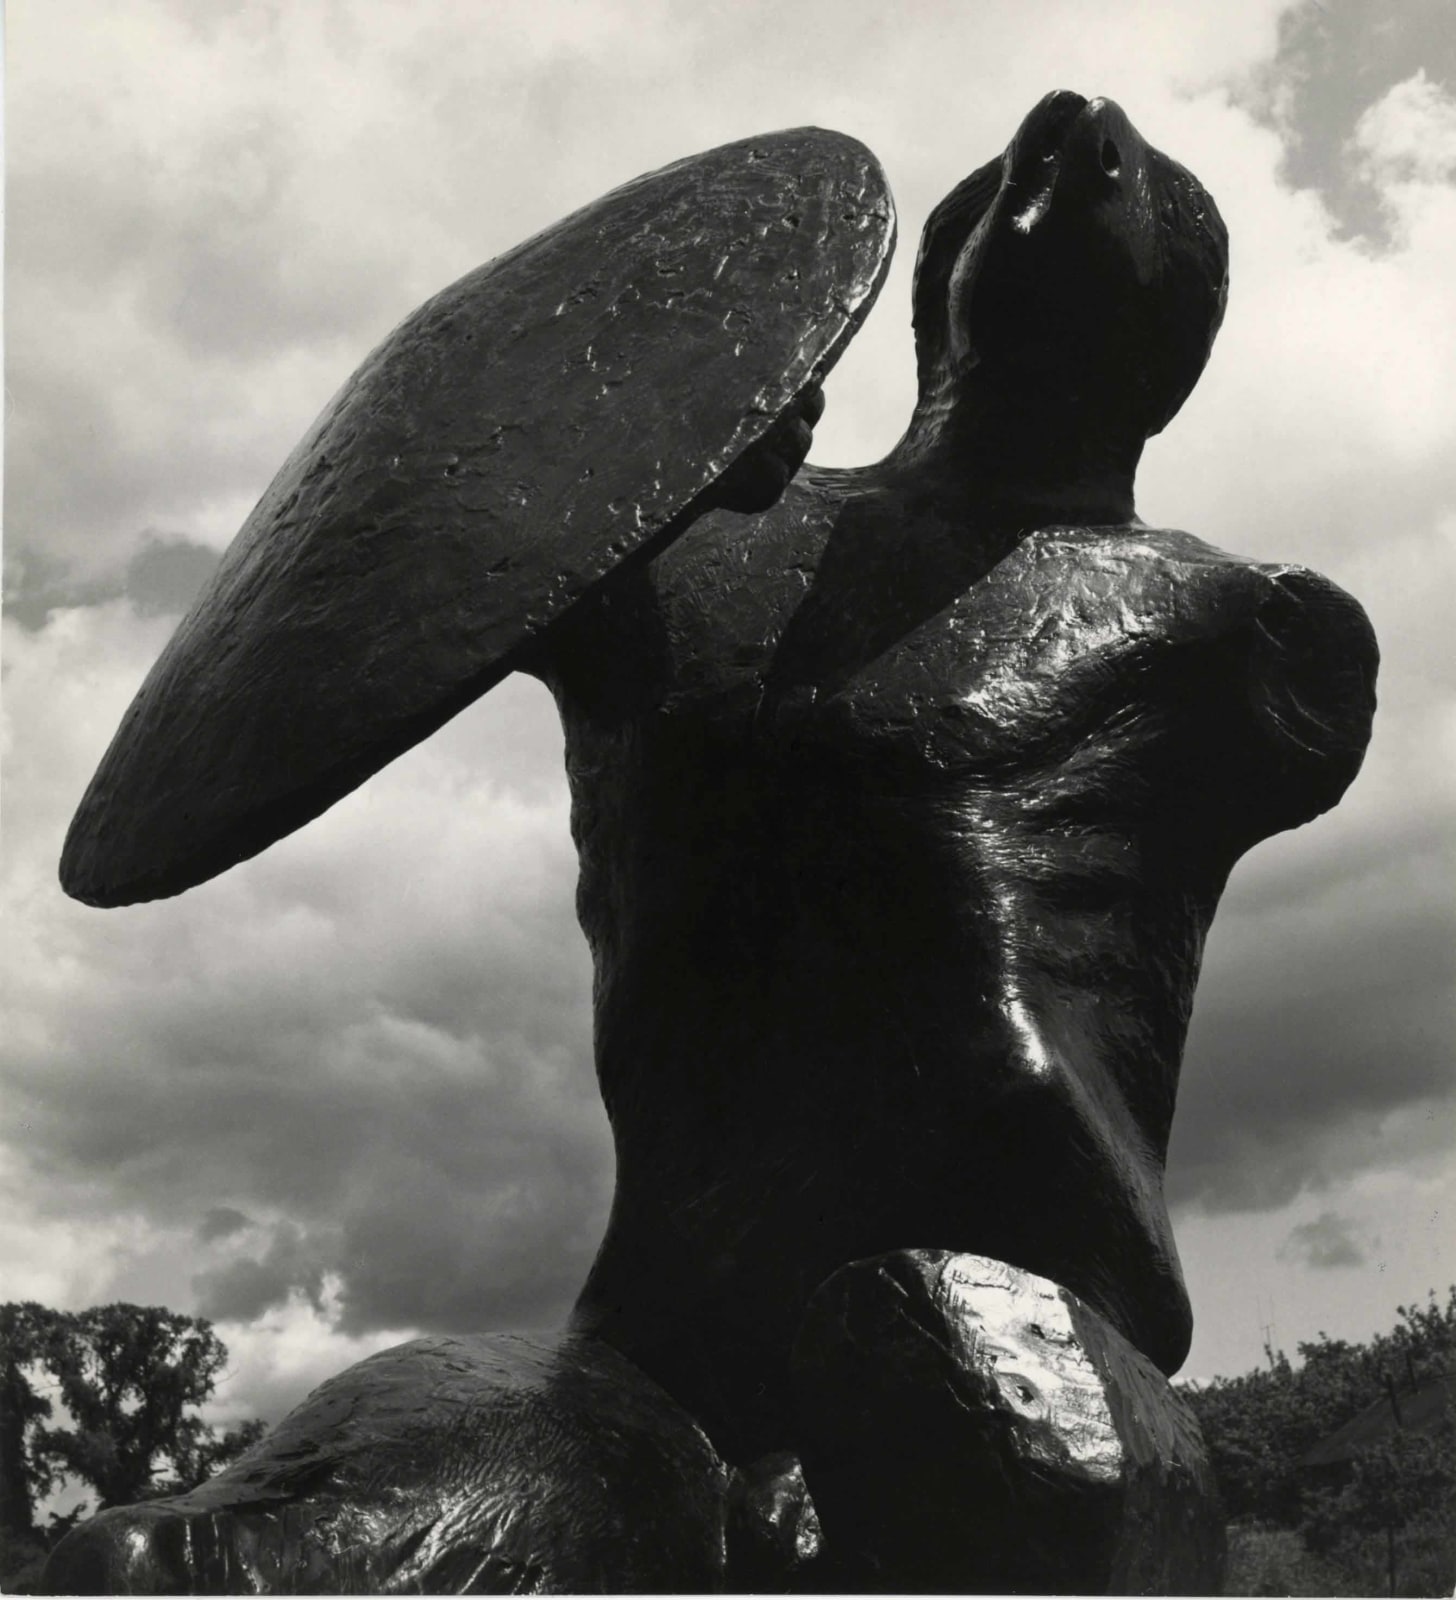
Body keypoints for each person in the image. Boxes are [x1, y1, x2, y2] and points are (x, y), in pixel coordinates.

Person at [43, 90, 1376, 1595]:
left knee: (981, 1411)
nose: (1079, 137)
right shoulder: (691, 545)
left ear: (1170, 351)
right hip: (662, 1373)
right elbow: (422, 528)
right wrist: (654, 441)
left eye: (1151, 204)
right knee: (213, 1568)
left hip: (1032, 1323)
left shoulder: (1247, 641)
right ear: (937, 284)